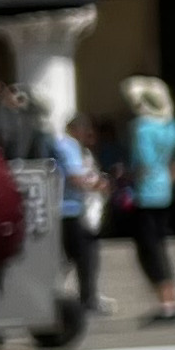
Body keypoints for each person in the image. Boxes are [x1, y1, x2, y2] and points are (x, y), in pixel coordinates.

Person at [118, 77, 175, 324]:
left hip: (144, 194)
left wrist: (128, 176)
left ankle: (167, 302)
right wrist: (172, 173)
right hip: (164, 192)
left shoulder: (143, 126)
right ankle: (169, 299)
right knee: (159, 246)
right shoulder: (167, 124)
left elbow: (143, 161)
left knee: (149, 250)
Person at [50, 108, 106, 320]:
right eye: (85, 129)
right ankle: (86, 299)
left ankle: (85, 297)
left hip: (73, 209)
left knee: (77, 257)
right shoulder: (68, 146)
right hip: (69, 210)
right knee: (83, 256)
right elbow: (75, 177)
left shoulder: (76, 148)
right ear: (76, 130)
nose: (89, 134)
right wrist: (98, 185)